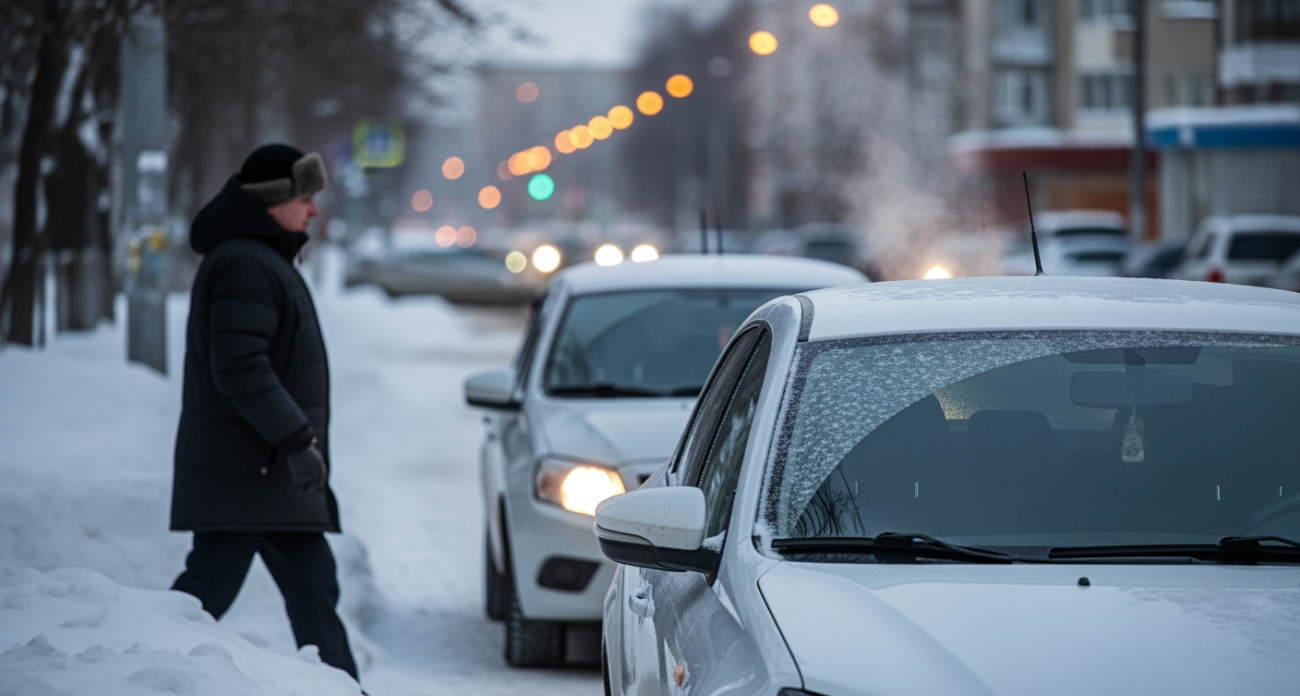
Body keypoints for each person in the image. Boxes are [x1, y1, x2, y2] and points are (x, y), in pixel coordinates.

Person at [169, 143, 358, 682]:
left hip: (265, 476)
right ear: (273, 200)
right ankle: (131, 669)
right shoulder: (245, 264)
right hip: (246, 474)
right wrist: (297, 440)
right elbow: (242, 369)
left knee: (314, 587)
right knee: (204, 594)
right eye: (305, 197)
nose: (314, 209)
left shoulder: (259, 259)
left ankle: (343, 689)